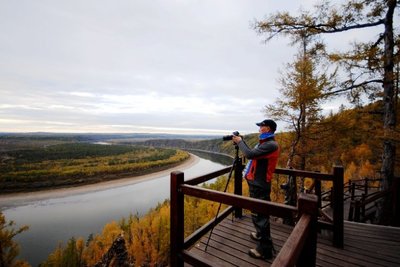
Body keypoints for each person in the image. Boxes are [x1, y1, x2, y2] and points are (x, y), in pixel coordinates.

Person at [232, 119, 280, 260]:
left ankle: (265, 250)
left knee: (261, 215)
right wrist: (241, 142)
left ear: (268, 128)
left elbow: (250, 154)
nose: (259, 129)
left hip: (260, 184)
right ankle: (260, 235)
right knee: (258, 213)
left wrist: (240, 142)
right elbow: (253, 152)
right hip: (257, 183)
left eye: (262, 126)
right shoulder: (266, 143)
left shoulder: (270, 145)